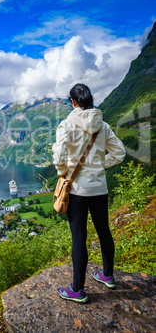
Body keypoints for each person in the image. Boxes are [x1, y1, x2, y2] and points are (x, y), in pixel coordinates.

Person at [52, 83, 125, 304]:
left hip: (77, 191)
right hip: (99, 189)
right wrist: (101, 166)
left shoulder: (66, 125)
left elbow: (58, 157)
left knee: (79, 238)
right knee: (105, 232)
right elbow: (119, 153)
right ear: (90, 100)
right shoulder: (103, 126)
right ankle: (108, 276)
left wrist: (64, 172)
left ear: (73, 102)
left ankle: (77, 289)